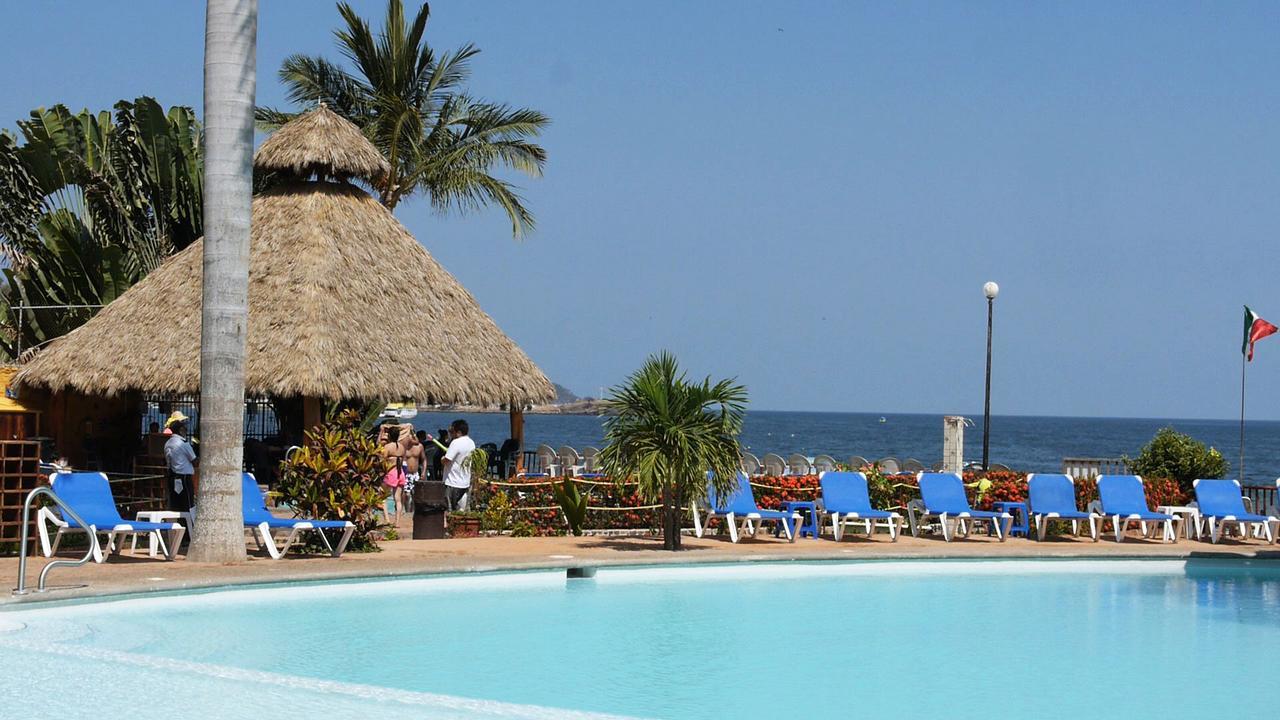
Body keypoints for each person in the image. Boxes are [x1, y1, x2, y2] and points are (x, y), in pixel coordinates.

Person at [163, 411, 197, 512]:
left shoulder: (168, 443)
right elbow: (194, 460)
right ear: (181, 430)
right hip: (184, 478)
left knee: (176, 504)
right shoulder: (183, 444)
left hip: (173, 476)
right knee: (188, 504)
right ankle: (188, 526)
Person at [442, 419, 475, 510]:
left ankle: (449, 524)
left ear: (459, 432)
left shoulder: (456, 443)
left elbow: (447, 459)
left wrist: (442, 459)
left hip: (452, 482)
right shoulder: (471, 443)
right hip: (465, 482)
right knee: (460, 510)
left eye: (452, 432)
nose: (451, 434)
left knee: (449, 509)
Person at [380, 424, 407, 525]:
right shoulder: (402, 447)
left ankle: (387, 519)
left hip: (391, 473)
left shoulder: (387, 447)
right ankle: (397, 522)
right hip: (400, 473)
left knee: (382, 496)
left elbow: (382, 460)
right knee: (398, 498)